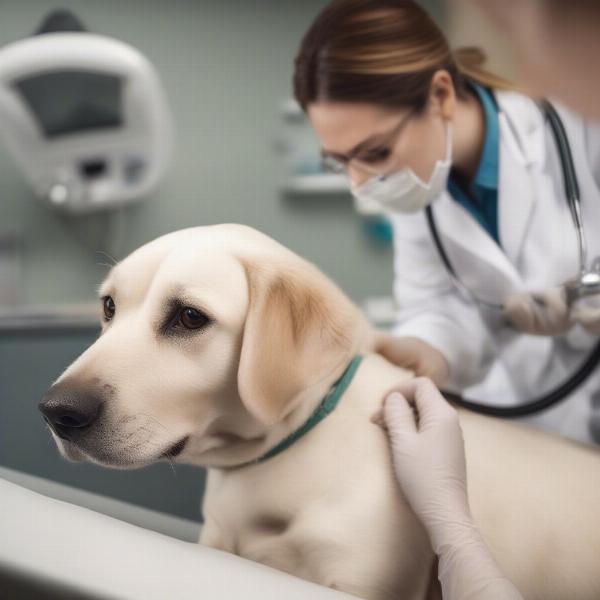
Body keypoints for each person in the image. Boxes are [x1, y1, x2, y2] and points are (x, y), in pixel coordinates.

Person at [292, 0, 600, 597]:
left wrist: (585, 302)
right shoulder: (417, 192)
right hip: (525, 430)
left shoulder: (581, 119)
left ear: (438, 95)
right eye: (341, 162)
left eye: (374, 153)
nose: (361, 182)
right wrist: (428, 348)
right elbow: (437, 304)